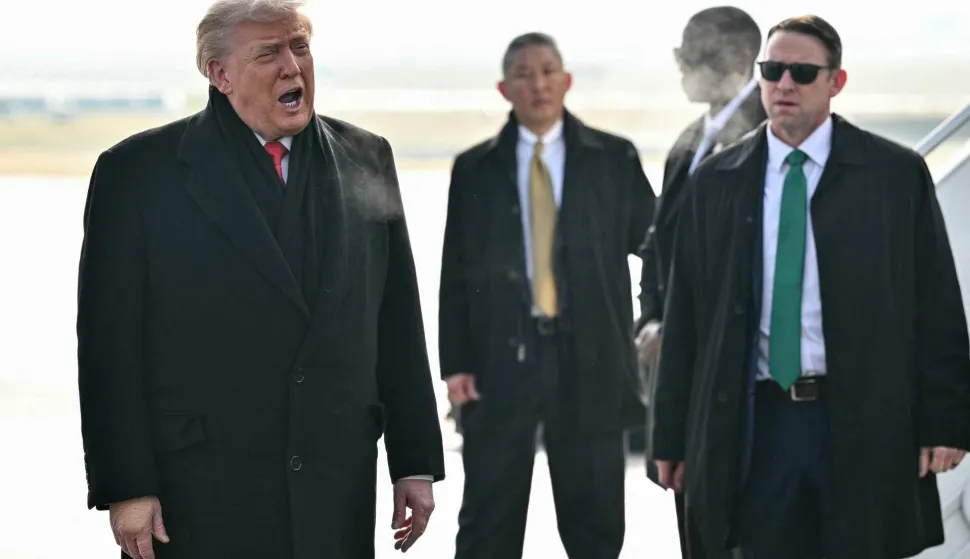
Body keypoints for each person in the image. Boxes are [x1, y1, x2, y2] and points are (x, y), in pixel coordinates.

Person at [76, 1, 445, 558]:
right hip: (199, 489)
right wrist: (127, 486)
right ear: (219, 74)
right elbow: (110, 347)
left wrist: (414, 462)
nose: (292, 67)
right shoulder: (138, 174)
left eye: (299, 47)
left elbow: (396, 320)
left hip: (333, 481)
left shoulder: (367, 157)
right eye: (268, 53)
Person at [649, 14, 970, 558]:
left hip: (860, 422)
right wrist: (672, 435)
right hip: (759, 422)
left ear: (835, 82)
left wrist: (947, 420)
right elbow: (686, 318)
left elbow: (935, 304)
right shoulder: (718, 180)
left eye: (801, 71)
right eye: (772, 70)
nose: (784, 84)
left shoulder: (893, 175)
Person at [438, 32, 656, 559]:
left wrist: (648, 325)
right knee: (488, 521)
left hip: (592, 360)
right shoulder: (476, 168)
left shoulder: (612, 157)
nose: (537, 83)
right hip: (501, 360)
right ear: (504, 88)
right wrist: (457, 363)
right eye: (523, 73)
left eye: (547, 71)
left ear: (566, 81)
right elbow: (455, 272)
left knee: (596, 525)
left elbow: (657, 248)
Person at [634, 6, 765, 558]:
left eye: (696, 53)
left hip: (740, 377)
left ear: (738, 60)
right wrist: (650, 319)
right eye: (680, 53)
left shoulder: (769, 135)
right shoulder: (690, 140)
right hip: (679, 372)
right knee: (692, 522)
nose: (684, 65)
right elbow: (659, 248)